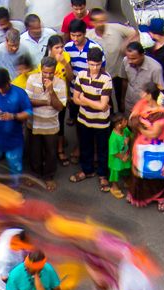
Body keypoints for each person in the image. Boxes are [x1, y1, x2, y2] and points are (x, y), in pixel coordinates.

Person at [68, 47, 112, 188]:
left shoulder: (107, 79)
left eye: (97, 65)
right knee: (85, 146)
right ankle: (87, 170)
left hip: (101, 122)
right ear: (87, 62)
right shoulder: (81, 75)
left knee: (102, 149)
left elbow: (102, 105)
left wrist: (85, 99)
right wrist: (95, 103)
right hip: (84, 119)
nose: (94, 68)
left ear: (101, 64)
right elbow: (75, 99)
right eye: (92, 64)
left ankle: (103, 174)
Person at [25, 56, 66, 190]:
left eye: (50, 73)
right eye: (45, 72)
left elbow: (59, 107)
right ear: (41, 69)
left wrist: (51, 91)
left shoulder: (60, 83)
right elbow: (28, 101)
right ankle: (35, 175)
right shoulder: (32, 79)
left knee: (51, 152)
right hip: (34, 123)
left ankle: (48, 176)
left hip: (51, 125)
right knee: (34, 151)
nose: (47, 75)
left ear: (55, 71)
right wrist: (46, 102)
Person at [125, 83, 164, 209]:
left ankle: (159, 197)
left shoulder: (161, 112)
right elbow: (132, 117)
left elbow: (154, 133)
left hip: (154, 146)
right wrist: (140, 124)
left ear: (150, 95)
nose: (141, 94)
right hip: (140, 145)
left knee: (154, 171)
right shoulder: (142, 104)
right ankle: (137, 194)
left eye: (144, 92)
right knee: (137, 171)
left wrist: (138, 125)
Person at [86, 9, 136, 112]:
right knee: (106, 99)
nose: (101, 24)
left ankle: (122, 115)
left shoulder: (116, 28)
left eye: (103, 20)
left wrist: (126, 45)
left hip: (118, 72)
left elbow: (134, 33)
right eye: (98, 21)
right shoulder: (89, 36)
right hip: (102, 74)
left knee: (121, 96)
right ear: (92, 23)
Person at [121, 42, 162, 111]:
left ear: (142, 55)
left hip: (146, 107)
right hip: (129, 103)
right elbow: (124, 81)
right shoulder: (125, 61)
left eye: (134, 59)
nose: (130, 61)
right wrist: (122, 100)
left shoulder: (155, 68)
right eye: (128, 58)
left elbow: (159, 90)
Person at [106, 114, 131, 199]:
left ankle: (126, 181)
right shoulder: (113, 138)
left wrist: (128, 138)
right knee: (115, 173)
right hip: (117, 160)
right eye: (125, 121)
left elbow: (128, 135)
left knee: (126, 170)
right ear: (118, 125)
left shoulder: (125, 130)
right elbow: (114, 152)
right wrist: (122, 157)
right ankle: (114, 187)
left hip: (125, 156)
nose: (127, 122)